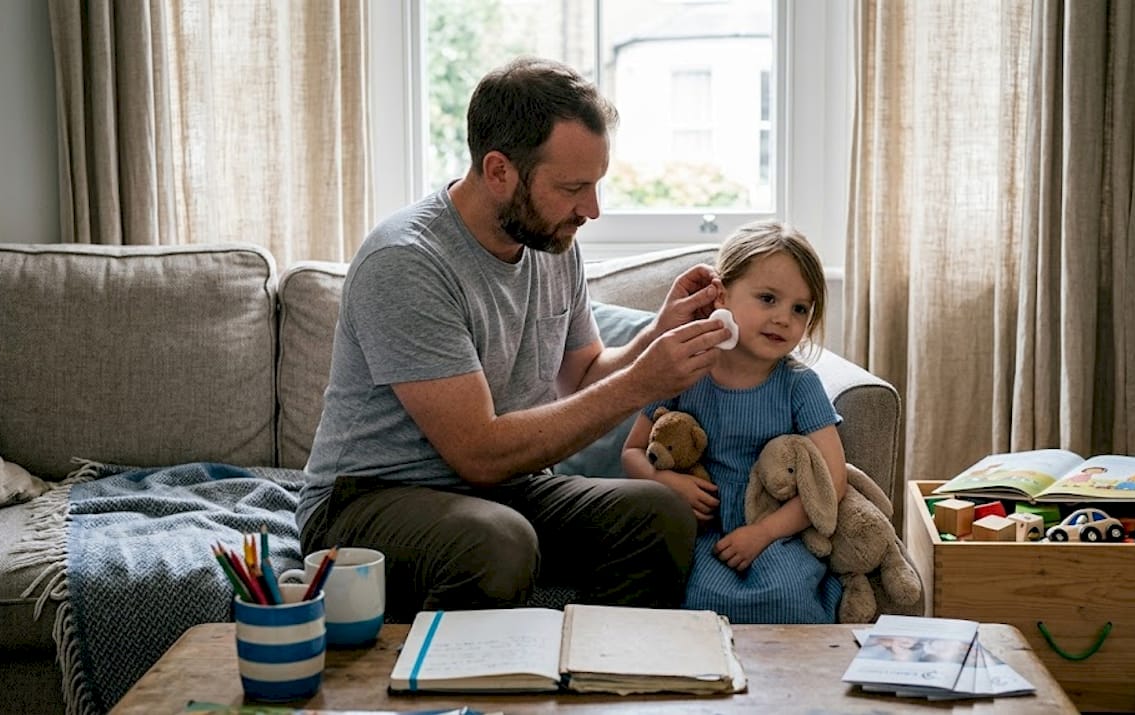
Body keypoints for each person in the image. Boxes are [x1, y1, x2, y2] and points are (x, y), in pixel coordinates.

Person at [295, 56, 731, 620]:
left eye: (596, 185)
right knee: (498, 542)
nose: (591, 210)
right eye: (573, 187)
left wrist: (660, 330)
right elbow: (479, 453)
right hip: (368, 499)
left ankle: (605, 680)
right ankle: (458, 705)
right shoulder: (406, 262)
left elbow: (586, 374)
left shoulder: (552, 243)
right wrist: (641, 385)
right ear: (499, 171)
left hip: (503, 492)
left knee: (657, 514)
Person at [621, 220, 848, 624]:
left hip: (775, 530)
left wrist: (764, 533)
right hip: (703, 533)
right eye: (768, 299)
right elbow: (633, 451)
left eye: (800, 309)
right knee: (697, 601)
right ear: (722, 295)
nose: (784, 318)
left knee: (787, 594)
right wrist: (665, 481)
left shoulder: (798, 385)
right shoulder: (684, 370)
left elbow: (831, 481)